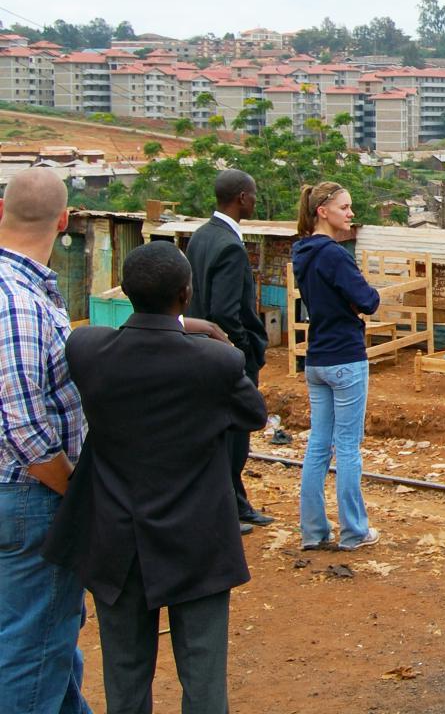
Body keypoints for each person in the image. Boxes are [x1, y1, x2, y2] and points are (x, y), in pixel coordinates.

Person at [44, 242, 267, 713]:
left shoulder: (89, 351)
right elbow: (253, 416)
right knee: (204, 680)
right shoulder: (215, 363)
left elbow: (110, 334)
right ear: (187, 294)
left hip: (117, 542)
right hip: (198, 540)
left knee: (124, 679)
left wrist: (176, 324)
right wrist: (205, 334)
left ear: (124, 292)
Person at [0, 168, 91, 714]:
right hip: (31, 497)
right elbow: (22, 425)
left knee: (47, 642)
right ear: (64, 222)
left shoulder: (28, 293)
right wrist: (73, 490)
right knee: (33, 651)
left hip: (19, 496)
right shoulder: (17, 301)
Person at [291, 182, 381, 551]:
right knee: (347, 448)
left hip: (317, 359)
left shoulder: (302, 252)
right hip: (346, 357)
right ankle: (354, 531)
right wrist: (363, 297)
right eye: (344, 207)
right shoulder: (335, 254)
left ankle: (312, 532)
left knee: (317, 446)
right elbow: (369, 300)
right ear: (322, 211)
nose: (350, 214)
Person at [185, 168, 272, 532]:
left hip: (200, 352)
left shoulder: (200, 237)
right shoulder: (230, 246)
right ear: (241, 198)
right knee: (234, 437)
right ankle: (226, 510)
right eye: (252, 195)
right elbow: (224, 311)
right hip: (226, 357)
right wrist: (241, 350)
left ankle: (237, 501)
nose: (254, 200)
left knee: (218, 432)